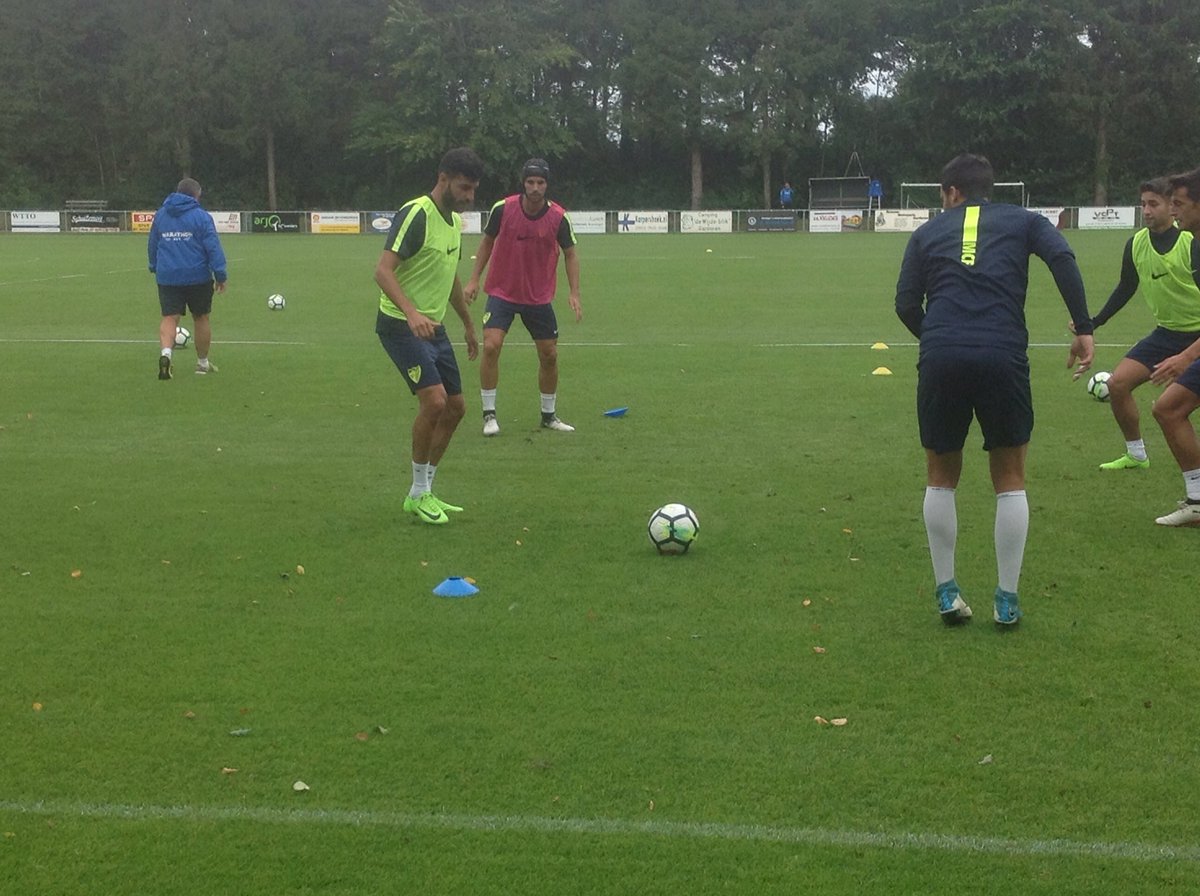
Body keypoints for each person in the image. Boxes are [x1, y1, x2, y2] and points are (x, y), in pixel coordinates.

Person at [894, 153, 1094, 626]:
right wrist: (1083, 326)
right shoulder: (1024, 221)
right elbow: (1062, 256)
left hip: (941, 354)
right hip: (1003, 354)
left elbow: (904, 303)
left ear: (951, 193)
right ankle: (1006, 600)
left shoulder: (926, 233)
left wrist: (940, 339)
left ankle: (946, 592)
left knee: (940, 474)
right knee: (1010, 476)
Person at [375, 147, 485, 525]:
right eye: (464, 188)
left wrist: (468, 325)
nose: (470, 197)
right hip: (399, 325)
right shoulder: (416, 213)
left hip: (434, 329)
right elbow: (383, 271)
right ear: (444, 179)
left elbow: (449, 277)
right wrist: (410, 313)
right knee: (435, 403)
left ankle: (425, 491)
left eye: (473, 190)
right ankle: (418, 492)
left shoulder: (453, 223)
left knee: (457, 408)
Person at [1081, 178, 1200, 471]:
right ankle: (1136, 454)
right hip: (1166, 334)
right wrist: (1094, 322)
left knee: (1174, 406)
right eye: (1143, 203)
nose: (1146, 210)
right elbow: (1125, 288)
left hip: (1197, 335)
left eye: (1154, 204)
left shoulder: (1191, 242)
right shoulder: (1135, 244)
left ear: (1171, 208)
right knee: (1117, 384)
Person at [464, 157, 581, 436]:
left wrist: (574, 292)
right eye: (531, 182)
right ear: (523, 183)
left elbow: (570, 253)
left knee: (549, 355)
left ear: (547, 185)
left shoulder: (558, 217)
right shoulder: (503, 209)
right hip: (502, 291)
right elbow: (487, 243)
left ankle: (548, 416)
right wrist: (473, 279)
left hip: (538, 297)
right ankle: (489, 415)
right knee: (491, 346)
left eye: (540, 183)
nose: (535, 188)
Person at [1148, 168, 1200, 526]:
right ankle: (1197, 501)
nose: (1174, 210)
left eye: (1179, 204)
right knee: (1168, 408)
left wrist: (1186, 355)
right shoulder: (1195, 245)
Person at [147, 177, 228, 379]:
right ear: (195, 195)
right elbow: (213, 247)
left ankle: (166, 355)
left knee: (169, 317)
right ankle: (202, 364)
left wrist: (154, 266)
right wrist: (220, 274)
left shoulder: (161, 215)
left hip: (168, 276)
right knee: (201, 317)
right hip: (197, 275)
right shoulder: (201, 217)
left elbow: (153, 243)